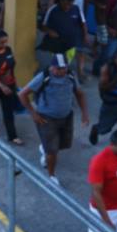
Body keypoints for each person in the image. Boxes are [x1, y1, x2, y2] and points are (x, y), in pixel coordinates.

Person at [18, 53, 90, 185]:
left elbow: (79, 93)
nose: (61, 71)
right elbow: (22, 94)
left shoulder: (70, 76)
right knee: (52, 152)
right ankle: (51, 176)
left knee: (64, 145)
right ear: (51, 67)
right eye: (58, 68)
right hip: (46, 119)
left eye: (64, 68)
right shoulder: (43, 77)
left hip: (66, 116)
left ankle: (45, 148)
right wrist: (34, 114)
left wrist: (85, 114)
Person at [42, 0, 86, 67]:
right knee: (58, 63)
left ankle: (62, 72)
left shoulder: (76, 8)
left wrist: (85, 36)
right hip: (57, 43)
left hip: (71, 42)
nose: (67, 7)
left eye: (70, 5)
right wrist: (50, 32)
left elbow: (83, 23)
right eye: (65, 4)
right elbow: (43, 26)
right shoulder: (52, 10)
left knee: (65, 63)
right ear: (60, 1)